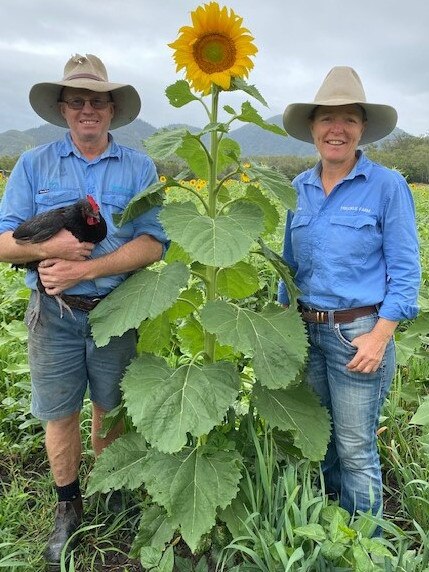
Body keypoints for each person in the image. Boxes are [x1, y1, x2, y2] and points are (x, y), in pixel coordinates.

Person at [0, 54, 169, 566]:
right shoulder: (34, 164)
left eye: (97, 100)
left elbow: (155, 243)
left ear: (112, 108)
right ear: (63, 108)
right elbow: (5, 242)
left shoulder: (140, 166)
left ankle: (111, 493)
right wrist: (53, 256)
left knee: (110, 406)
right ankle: (68, 504)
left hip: (117, 306)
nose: (87, 108)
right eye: (78, 100)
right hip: (53, 312)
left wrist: (86, 268)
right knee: (59, 410)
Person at [278, 66, 420, 526]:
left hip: (358, 334)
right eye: (326, 119)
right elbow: (289, 268)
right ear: (313, 128)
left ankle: (365, 543)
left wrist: (380, 337)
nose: (336, 129)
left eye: (349, 119)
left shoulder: (387, 185)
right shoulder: (296, 187)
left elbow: (406, 271)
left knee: (356, 446)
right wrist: (282, 328)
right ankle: (326, 528)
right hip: (306, 330)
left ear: (361, 130)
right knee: (318, 439)